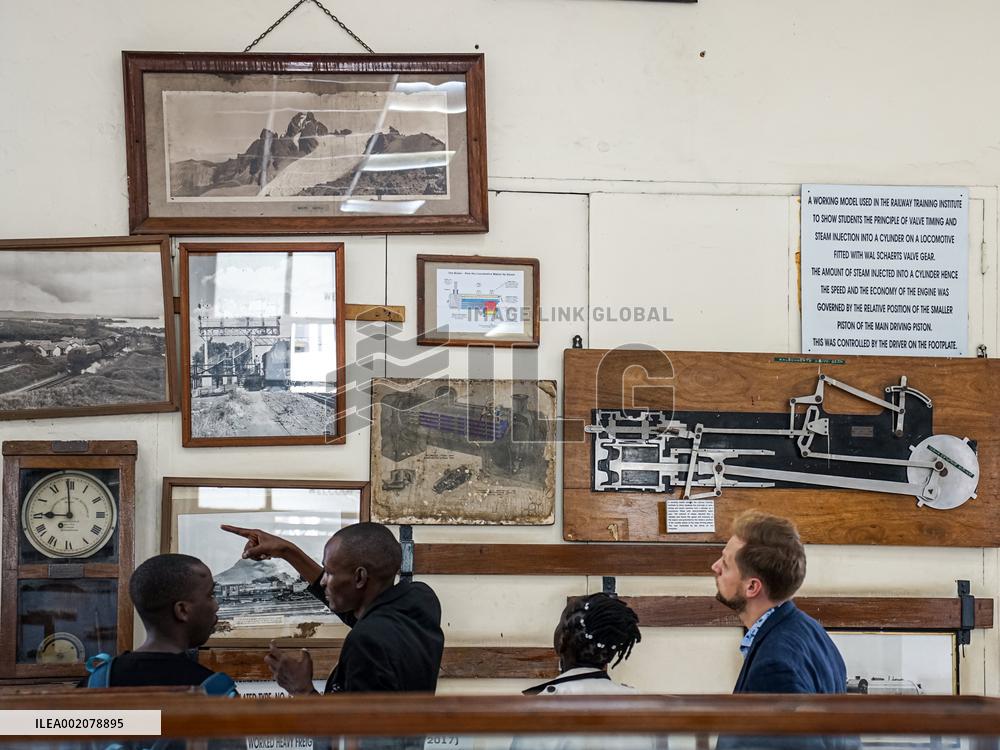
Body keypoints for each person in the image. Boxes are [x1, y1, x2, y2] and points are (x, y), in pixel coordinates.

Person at [222, 521, 443, 694]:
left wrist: (301, 689)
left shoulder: (367, 641)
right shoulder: (420, 601)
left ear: (359, 577)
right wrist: (287, 551)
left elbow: (351, 733)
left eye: (329, 572)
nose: (323, 581)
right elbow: (366, 615)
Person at [711, 511, 846, 694]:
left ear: (752, 587)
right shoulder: (811, 629)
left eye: (726, 565)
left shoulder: (774, 666)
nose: (715, 567)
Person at [512, 593, 652, 750]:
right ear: (611, 654)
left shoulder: (541, 709)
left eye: (560, 624)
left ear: (561, 640)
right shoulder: (644, 707)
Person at [82, 553, 229, 689]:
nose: (216, 606)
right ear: (182, 610)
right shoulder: (214, 690)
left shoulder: (96, 682)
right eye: (210, 595)